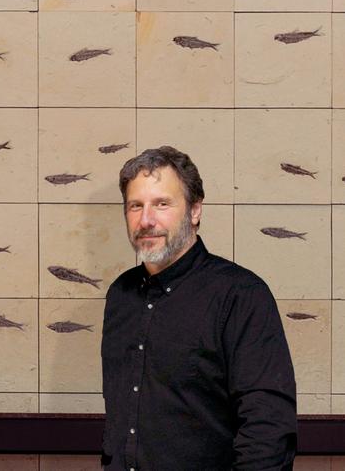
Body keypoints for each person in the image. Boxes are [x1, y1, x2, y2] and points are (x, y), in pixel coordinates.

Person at [101, 146, 297, 471]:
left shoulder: (241, 295)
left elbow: (269, 429)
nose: (146, 220)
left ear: (194, 210)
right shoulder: (120, 295)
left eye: (162, 204)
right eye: (136, 206)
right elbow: (120, 419)